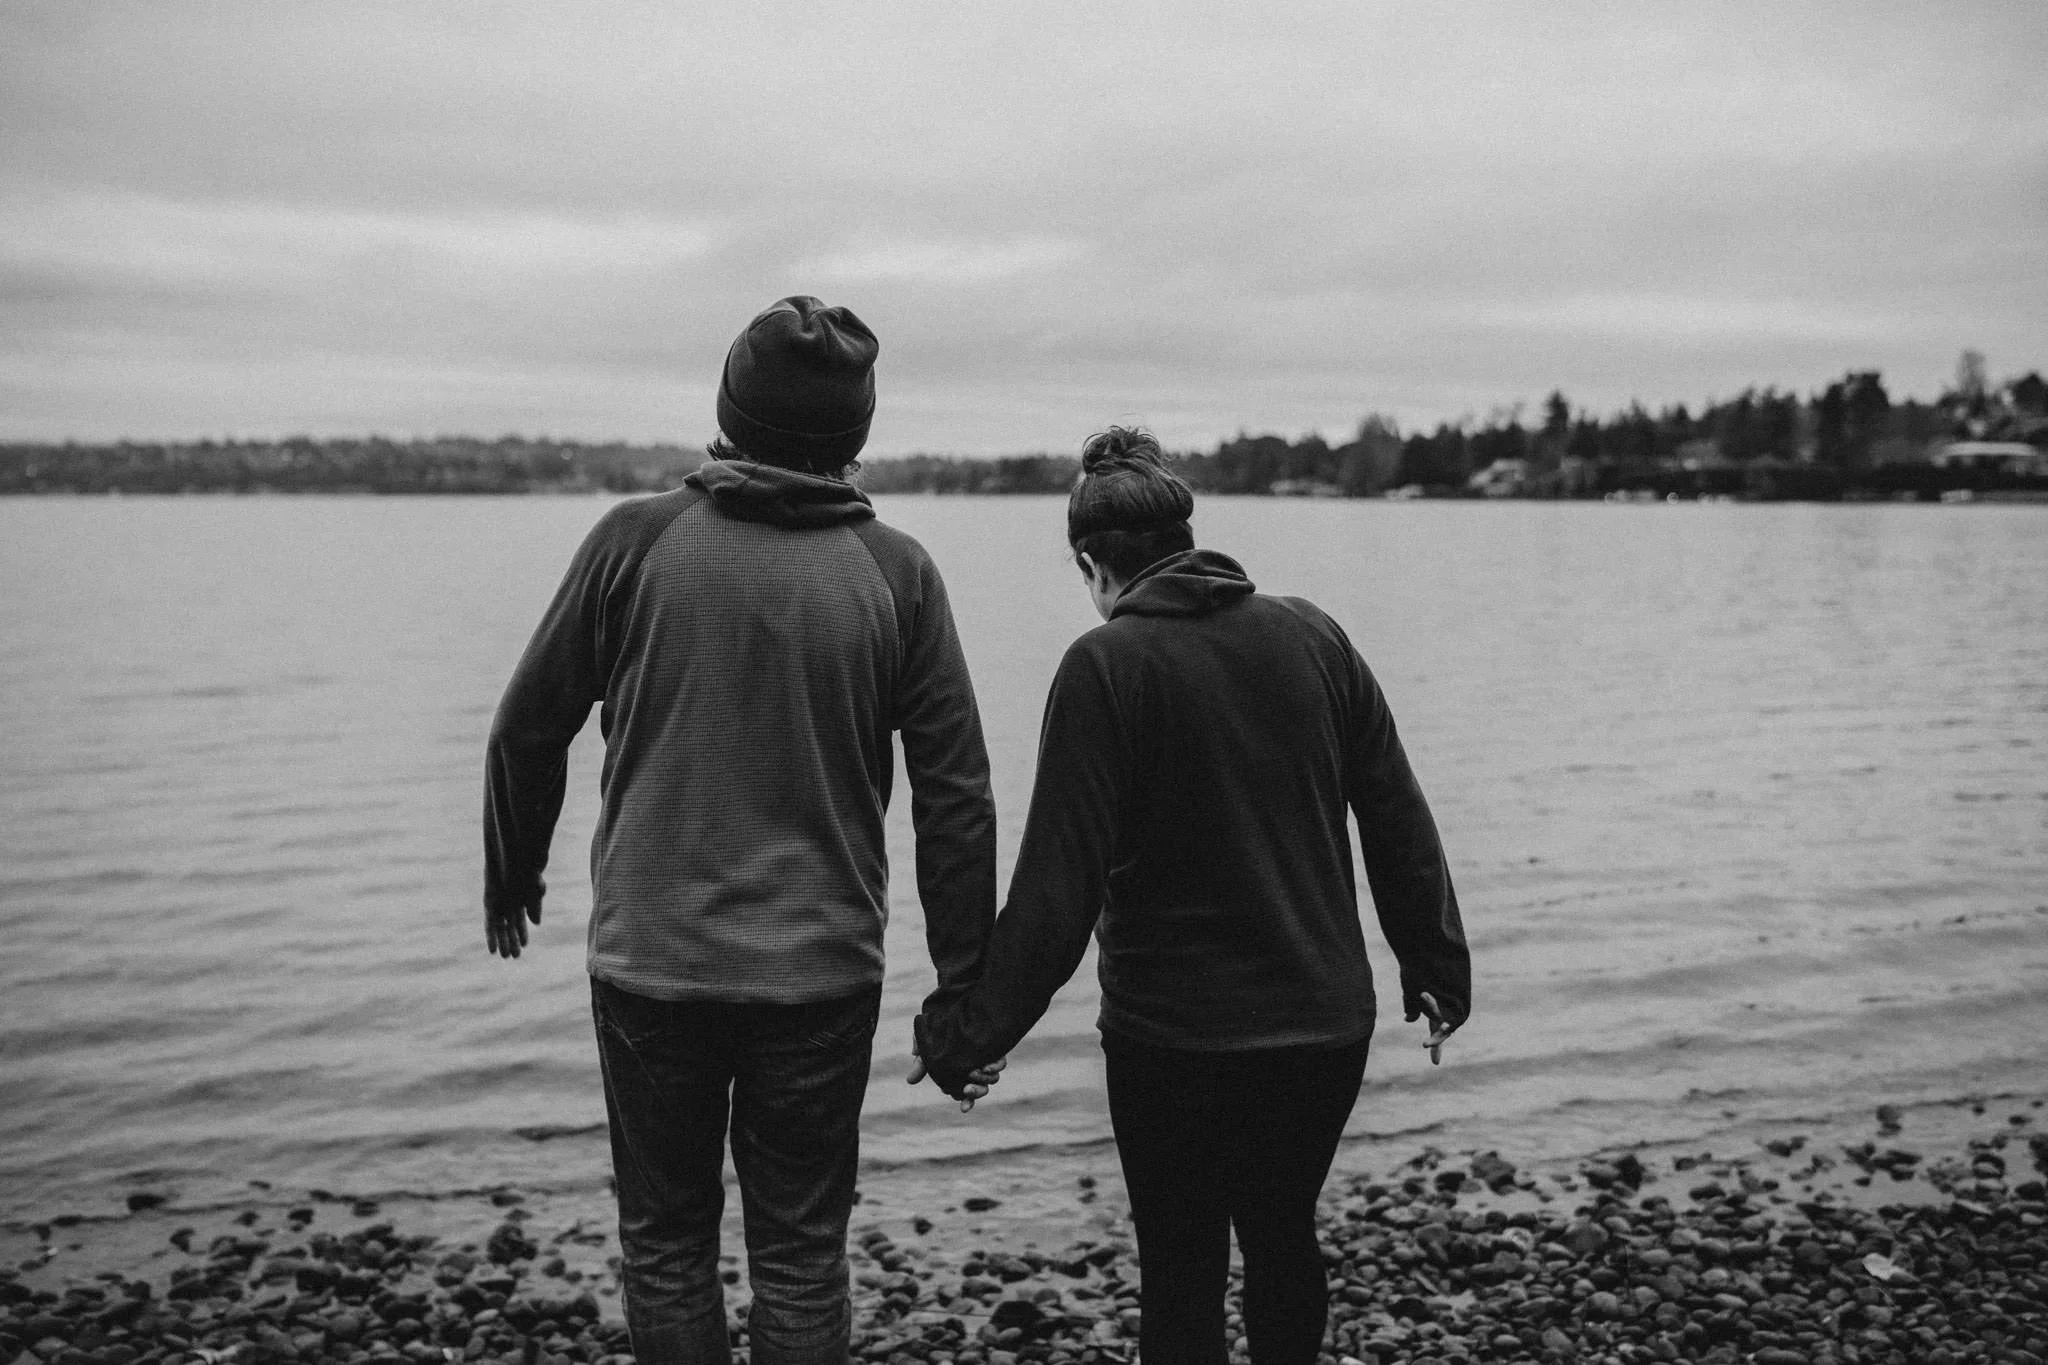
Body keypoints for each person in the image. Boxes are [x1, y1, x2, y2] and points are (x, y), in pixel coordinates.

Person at [483, 295, 1003, 1365]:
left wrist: (513, 866)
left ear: (727, 409)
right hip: (818, 971)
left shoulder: (635, 541)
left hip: (652, 964)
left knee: (667, 1245)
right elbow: (955, 793)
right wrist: (961, 990)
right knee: (803, 1254)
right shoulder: (896, 574)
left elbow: (526, 728)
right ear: (853, 435)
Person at [913, 426, 1471, 1365]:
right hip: (1322, 1030)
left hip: (1177, 1043)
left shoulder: (1107, 667)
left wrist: (967, 1035)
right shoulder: (1316, 635)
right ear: (1185, 537)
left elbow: (1057, 894)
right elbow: (1396, 816)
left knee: (1182, 1268)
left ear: (1093, 566)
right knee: (1285, 1234)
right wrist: (1437, 964)